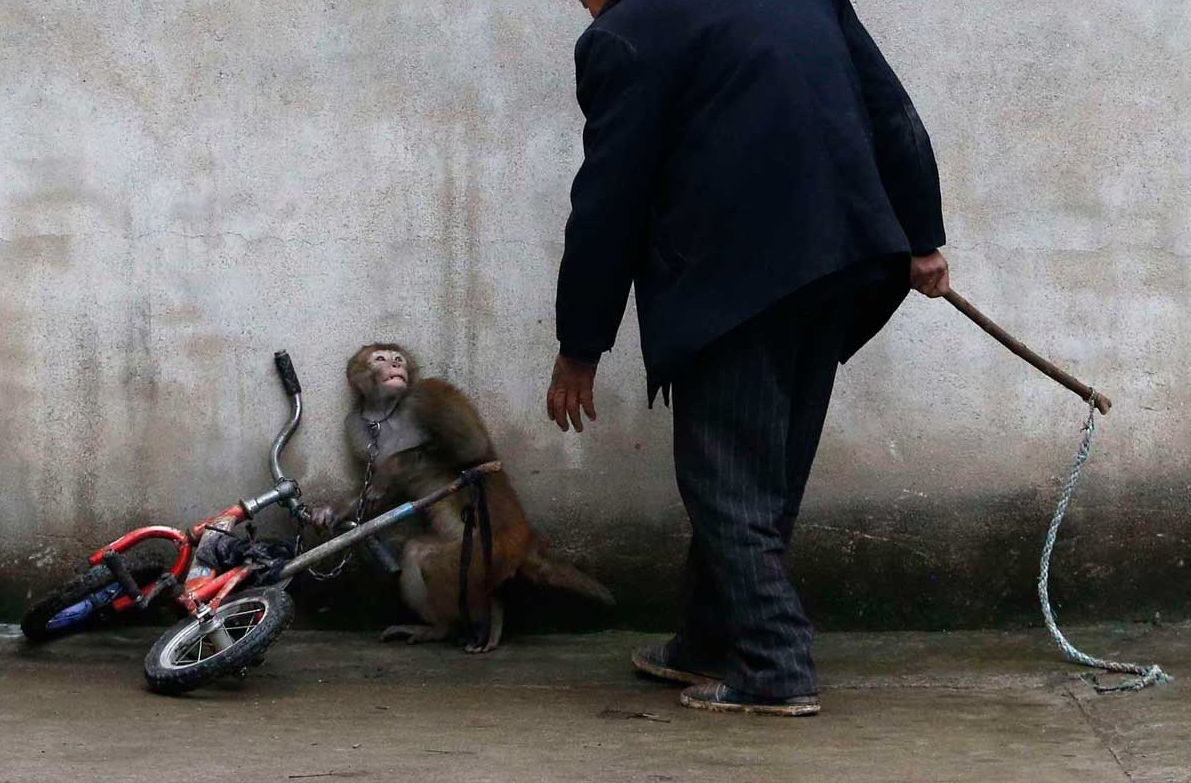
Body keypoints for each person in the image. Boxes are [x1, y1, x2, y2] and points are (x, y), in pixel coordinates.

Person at [546, 0, 950, 716]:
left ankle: (774, 664)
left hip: (732, 283)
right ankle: (708, 638)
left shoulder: (622, 38)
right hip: (841, 264)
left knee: (728, 484)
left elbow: (609, 199)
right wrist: (919, 236)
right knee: (756, 476)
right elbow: (890, 107)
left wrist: (580, 344)